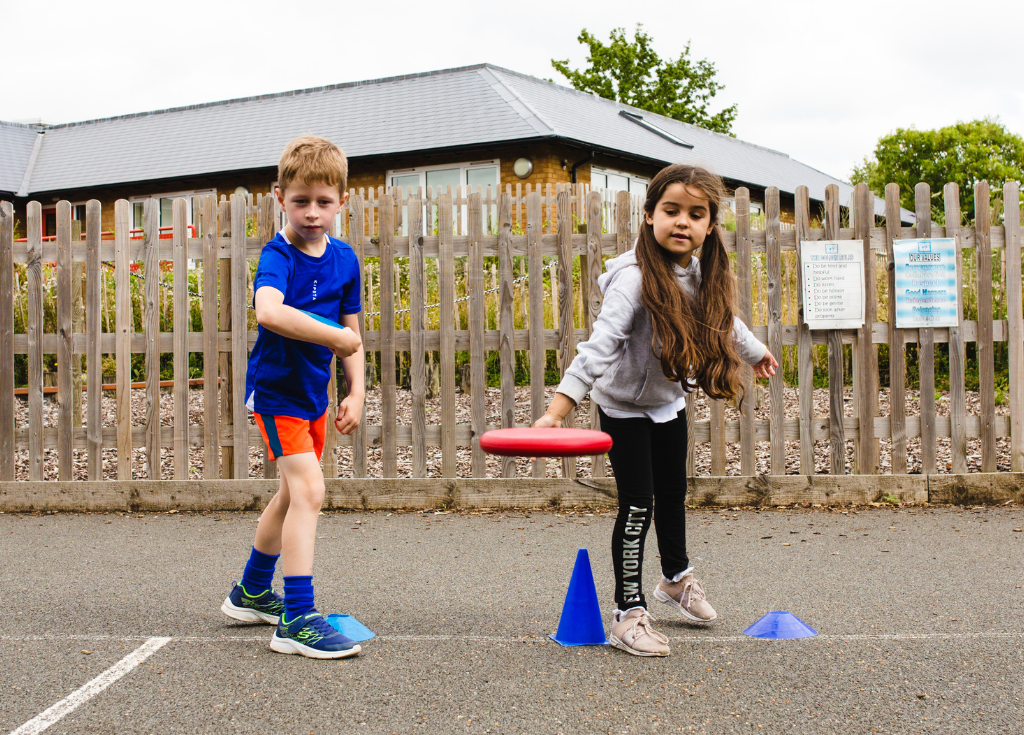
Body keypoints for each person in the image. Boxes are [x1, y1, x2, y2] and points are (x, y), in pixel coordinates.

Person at [534, 164, 777, 657]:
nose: (682, 222)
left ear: (710, 226)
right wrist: (558, 411)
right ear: (648, 216)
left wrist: (756, 352)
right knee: (638, 504)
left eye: (696, 214)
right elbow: (598, 348)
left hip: (667, 405)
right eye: (671, 211)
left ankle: (674, 578)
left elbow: (723, 322)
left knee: (671, 496)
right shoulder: (633, 280)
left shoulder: (702, 273)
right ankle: (628, 612)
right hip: (622, 408)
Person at [220, 136, 365, 659]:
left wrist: (357, 388)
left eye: (323, 202)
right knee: (309, 492)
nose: (312, 212)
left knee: (289, 494)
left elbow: (353, 331)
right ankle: (297, 619)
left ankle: (253, 592)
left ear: (341, 202)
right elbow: (269, 312)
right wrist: (333, 338)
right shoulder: (278, 255)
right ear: (279, 196)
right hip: (277, 394)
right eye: (301, 200)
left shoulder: (345, 260)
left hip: (314, 397)